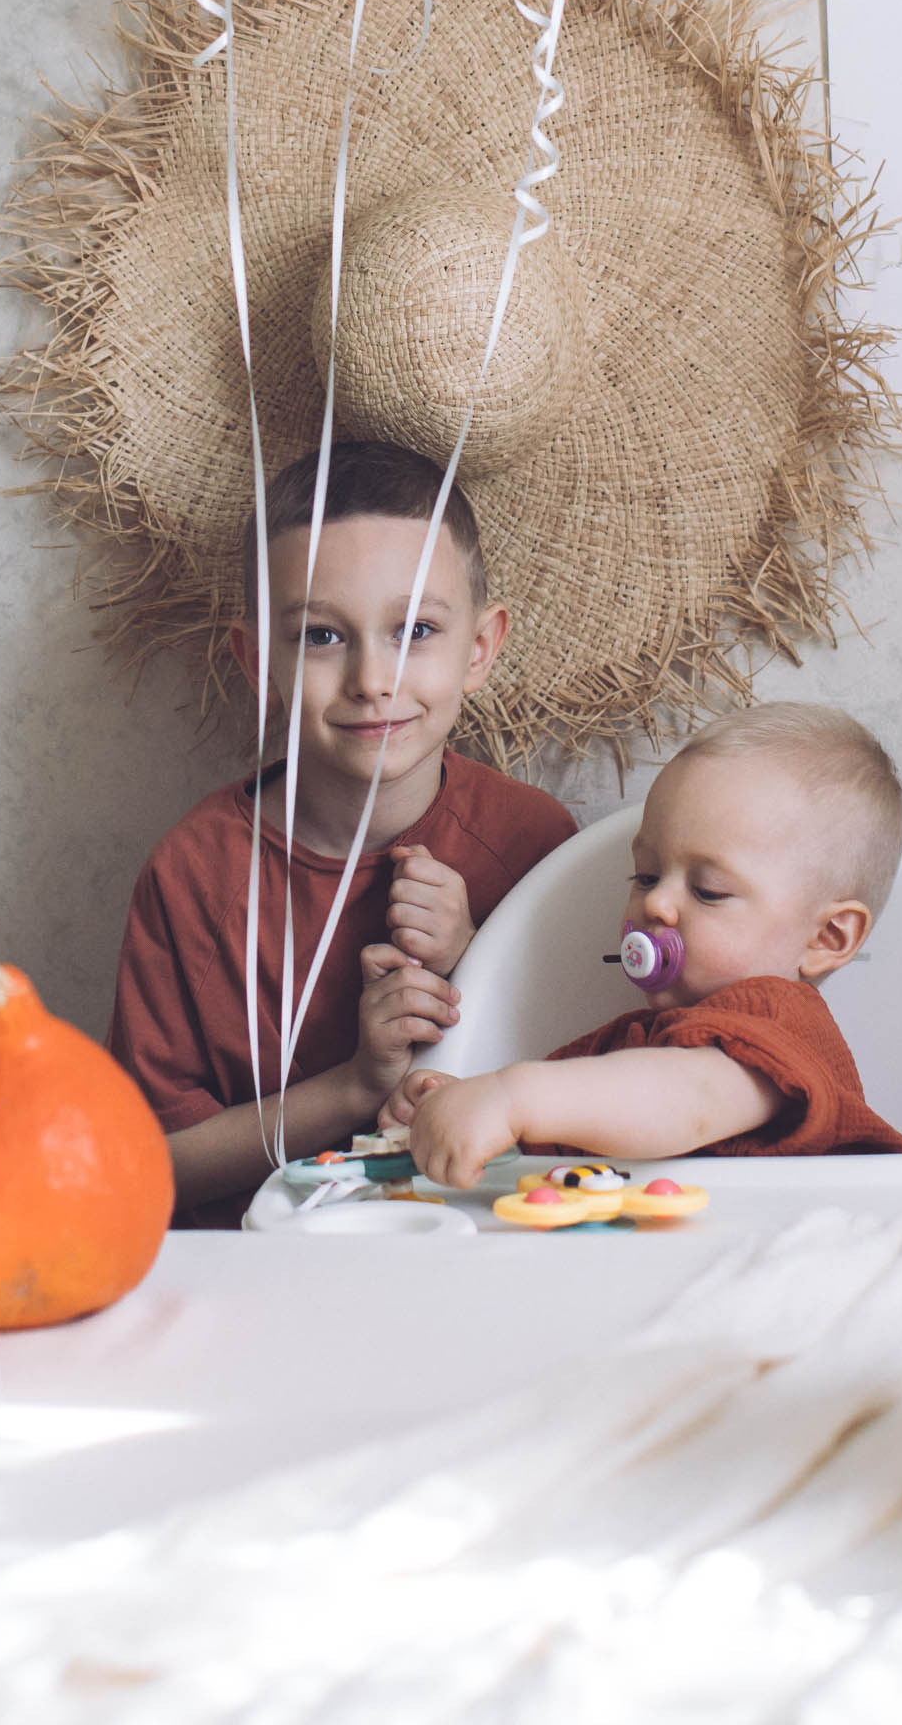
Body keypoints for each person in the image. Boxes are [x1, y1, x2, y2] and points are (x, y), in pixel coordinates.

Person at [108, 441, 576, 1225]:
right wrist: (355, 1087)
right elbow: (147, 1168)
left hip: (485, 1260)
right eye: (322, 636)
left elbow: (591, 1092)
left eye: (416, 630)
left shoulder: (533, 846)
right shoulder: (195, 878)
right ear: (258, 662)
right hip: (260, 1280)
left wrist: (479, 954)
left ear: (481, 649)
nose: (371, 678)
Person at [382, 703, 902, 1181]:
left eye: (708, 891)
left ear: (826, 937)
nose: (657, 904)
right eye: (647, 876)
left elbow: (687, 1100)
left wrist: (511, 1098)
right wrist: (456, 1109)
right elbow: (582, 1133)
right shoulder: (630, 1043)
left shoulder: (780, 1026)